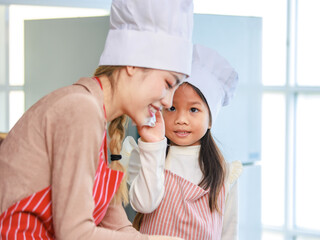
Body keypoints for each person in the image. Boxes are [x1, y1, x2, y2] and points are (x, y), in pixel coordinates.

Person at [0, 0, 194, 239]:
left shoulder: (97, 119)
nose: (168, 102)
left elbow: (118, 226)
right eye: (168, 84)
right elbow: (76, 234)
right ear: (133, 64)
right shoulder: (81, 110)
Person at [124, 44, 243, 240]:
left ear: (211, 119)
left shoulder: (225, 173)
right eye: (171, 108)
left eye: (193, 110)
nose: (181, 119)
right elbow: (143, 204)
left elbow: (229, 232)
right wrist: (152, 146)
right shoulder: (146, 156)